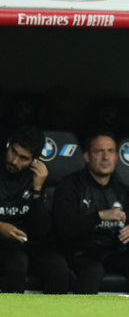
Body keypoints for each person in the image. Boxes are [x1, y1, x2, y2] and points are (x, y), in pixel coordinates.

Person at [52, 130, 129, 295]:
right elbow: (64, 231)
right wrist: (99, 216)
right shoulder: (70, 186)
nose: (106, 157)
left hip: (113, 252)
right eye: (99, 151)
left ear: (116, 157)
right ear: (87, 157)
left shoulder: (122, 190)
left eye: (110, 151)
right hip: (80, 252)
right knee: (92, 271)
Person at [0, 125, 69, 294]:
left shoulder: (34, 178)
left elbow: (40, 231)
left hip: (23, 244)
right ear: (8, 145)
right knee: (17, 260)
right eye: (13, 152)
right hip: (4, 246)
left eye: (23, 158)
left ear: (34, 160)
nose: (14, 161)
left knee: (58, 266)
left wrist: (37, 190)